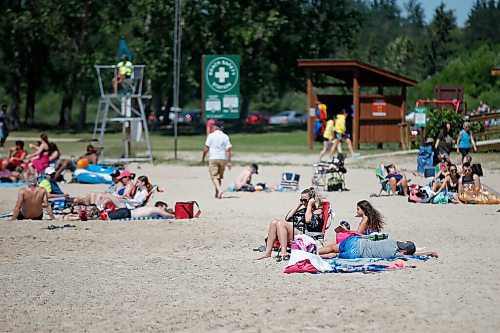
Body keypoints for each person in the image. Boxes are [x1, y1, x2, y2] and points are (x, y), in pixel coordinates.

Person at [257, 188, 324, 262]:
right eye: (301, 200)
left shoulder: (318, 211)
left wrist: (310, 205)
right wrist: (299, 204)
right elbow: (288, 218)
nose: (303, 202)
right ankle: (268, 252)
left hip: (310, 237)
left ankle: (284, 253)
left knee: (280, 224)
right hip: (301, 235)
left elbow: (308, 220)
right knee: (274, 222)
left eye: (305, 200)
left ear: (312, 200)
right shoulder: (304, 210)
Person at [319, 236, 438, 259]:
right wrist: (428, 253)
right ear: (405, 252)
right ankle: (315, 256)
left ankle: (315, 251)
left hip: (356, 241)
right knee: (335, 255)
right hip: (356, 253)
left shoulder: (392, 241)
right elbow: (414, 256)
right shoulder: (394, 254)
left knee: (333, 247)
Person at [201, 121, 232, 199]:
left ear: (215, 127)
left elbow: (206, 148)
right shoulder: (225, 136)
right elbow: (228, 150)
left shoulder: (211, 136)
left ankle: (219, 189)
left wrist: (203, 158)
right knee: (219, 177)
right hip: (222, 158)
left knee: (214, 176)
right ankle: (217, 193)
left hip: (213, 157)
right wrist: (229, 161)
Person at [106, 201, 175, 220]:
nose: (164, 210)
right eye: (164, 208)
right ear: (160, 206)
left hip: (126, 211)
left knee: (106, 215)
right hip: (127, 213)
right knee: (105, 216)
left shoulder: (151, 209)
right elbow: (167, 215)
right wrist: (174, 215)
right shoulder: (156, 209)